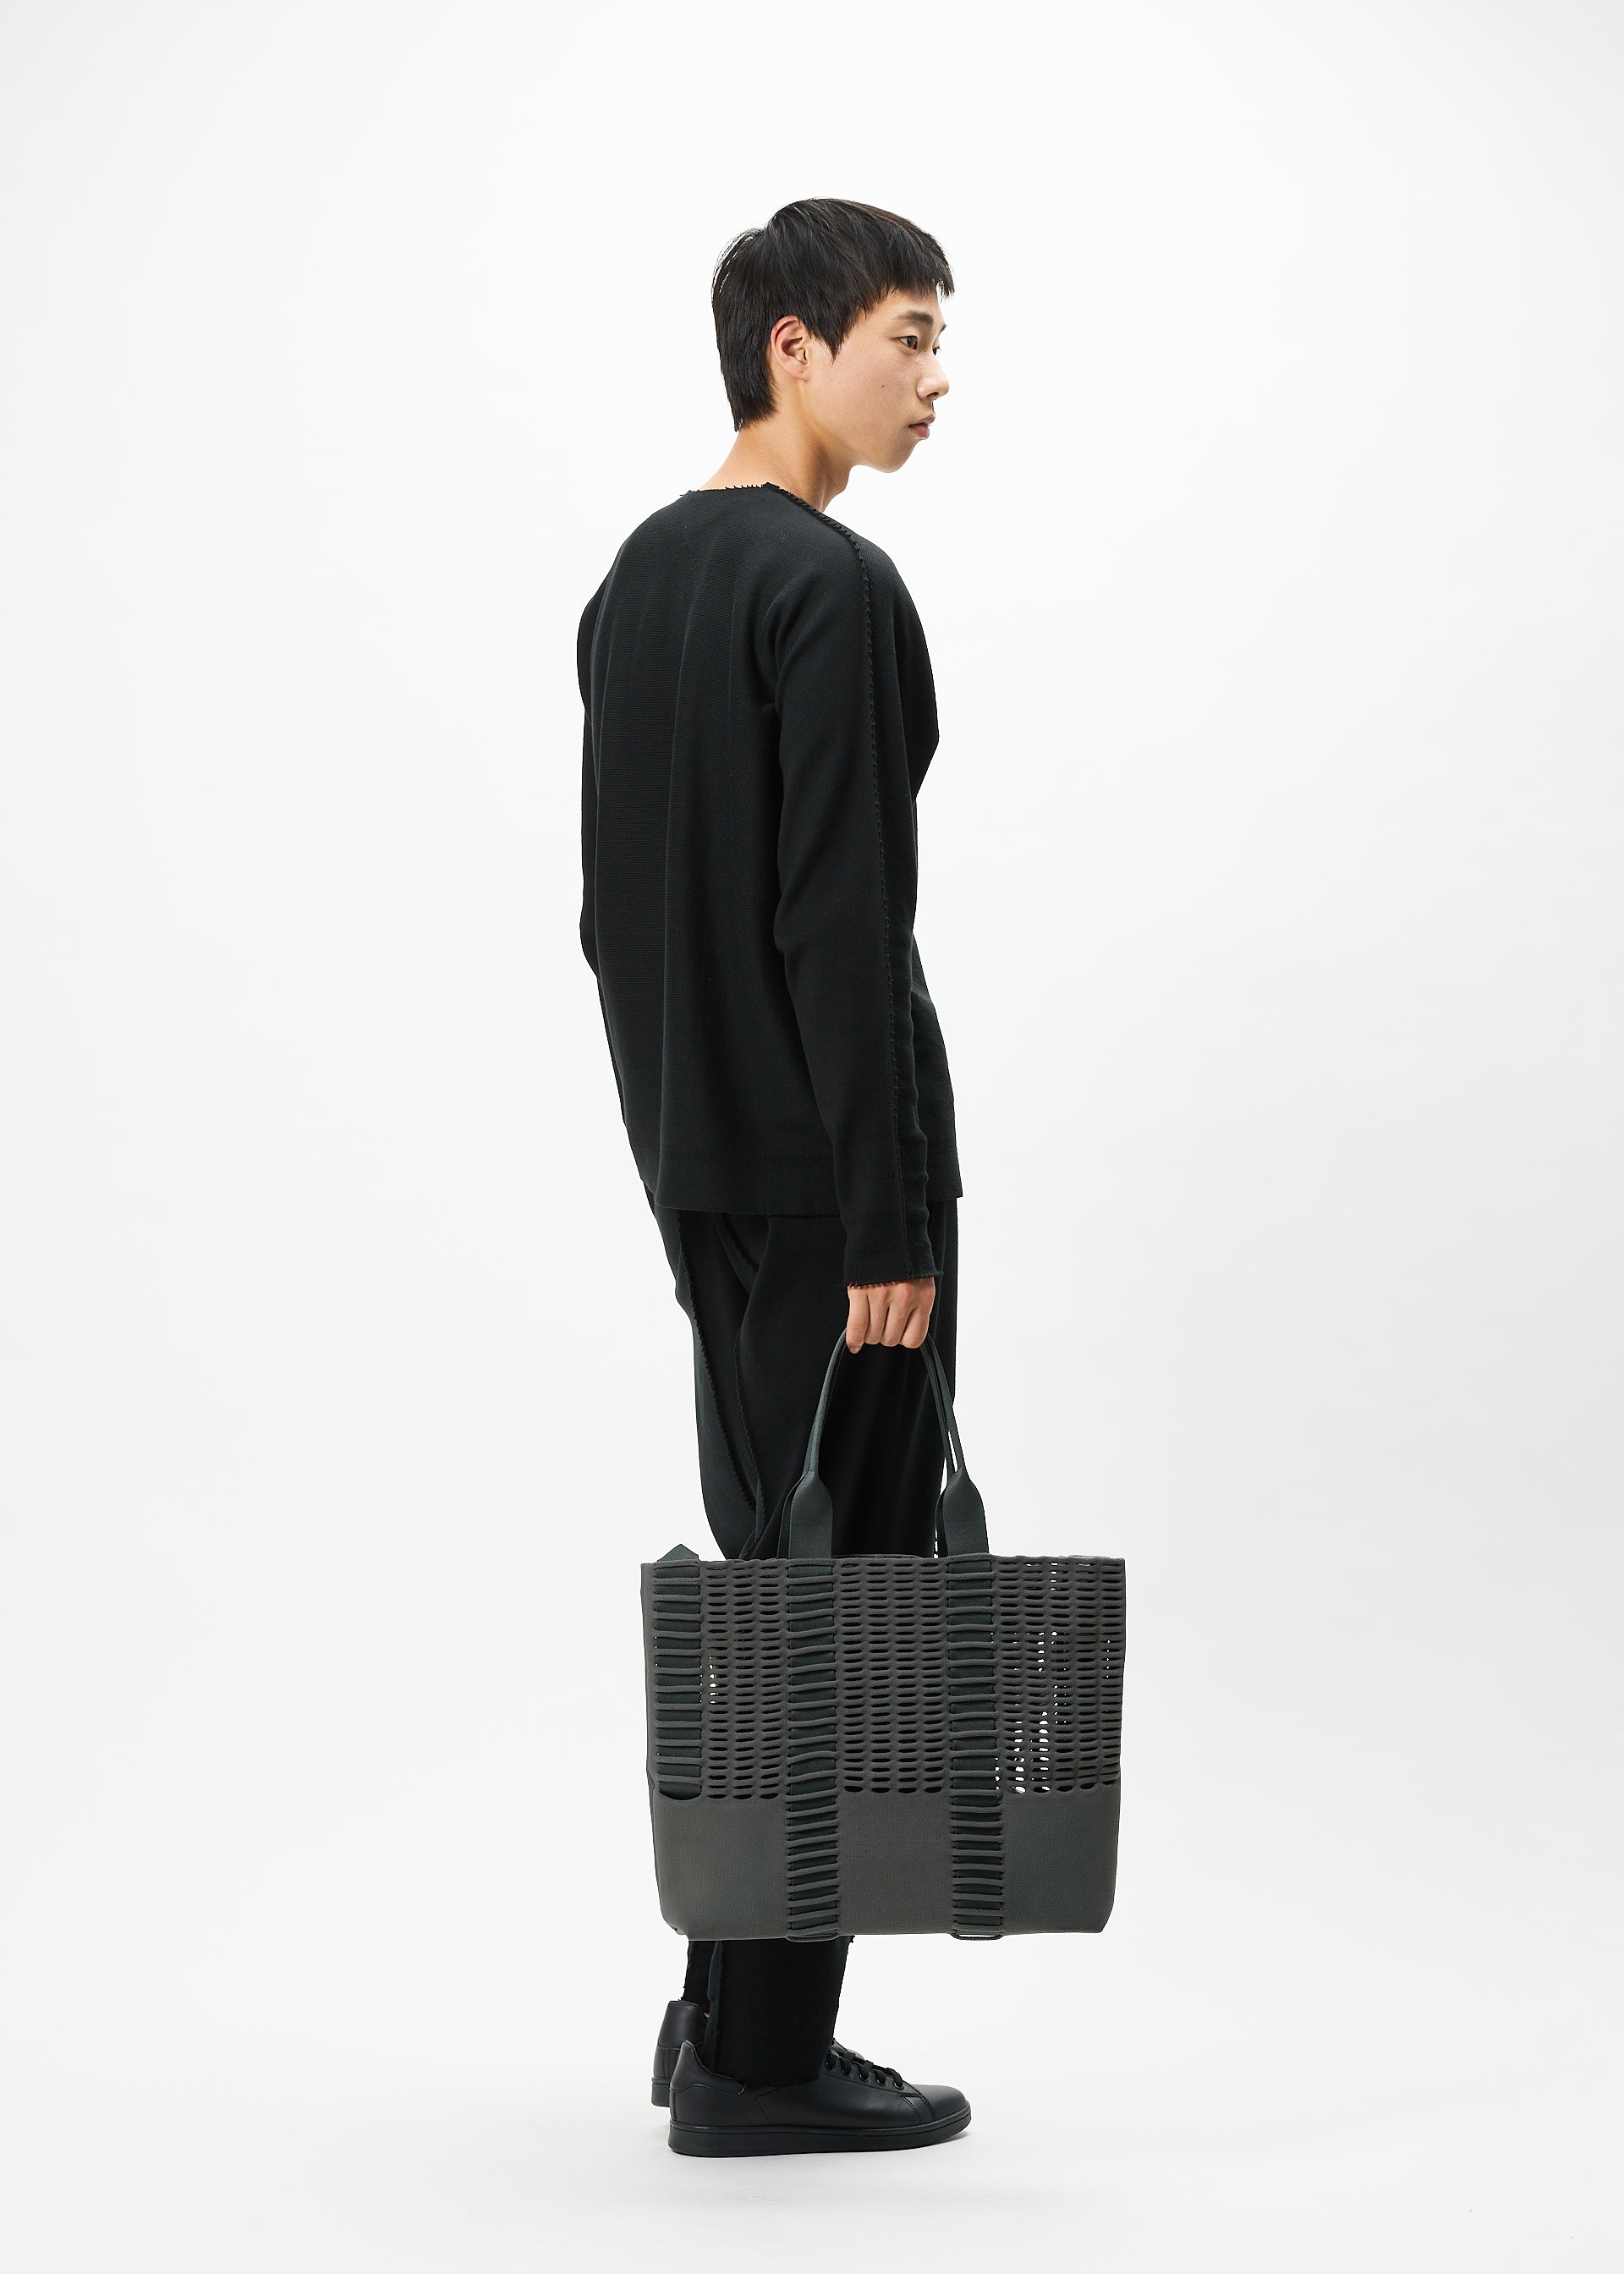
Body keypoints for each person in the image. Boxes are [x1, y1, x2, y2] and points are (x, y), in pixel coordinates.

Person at [577, 199, 969, 2156]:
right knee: (846, 1600)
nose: (938, 378)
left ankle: (719, 2013)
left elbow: (613, 922)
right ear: (792, 349)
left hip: (714, 1172)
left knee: (770, 1576)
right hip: (836, 1189)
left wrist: (680, 1161)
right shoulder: (831, 586)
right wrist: (884, 1213)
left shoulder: (638, 579)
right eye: (909, 335)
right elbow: (839, 921)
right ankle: (763, 2065)